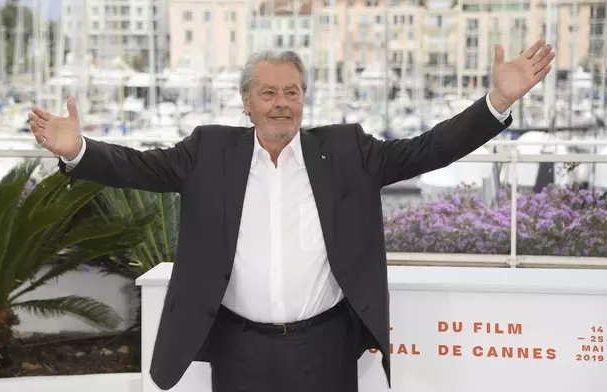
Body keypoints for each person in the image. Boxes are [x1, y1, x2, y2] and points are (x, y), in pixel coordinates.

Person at [28, 39, 555, 392]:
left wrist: (495, 103)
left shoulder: (347, 151)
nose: (281, 103)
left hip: (323, 346)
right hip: (238, 347)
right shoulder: (209, 152)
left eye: (292, 92)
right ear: (247, 102)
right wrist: (79, 151)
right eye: (269, 92)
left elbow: (427, 150)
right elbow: (137, 167)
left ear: (304, 99)